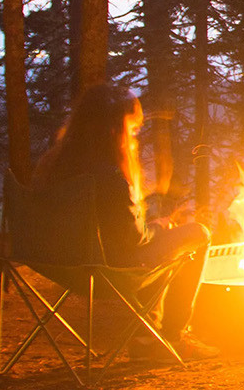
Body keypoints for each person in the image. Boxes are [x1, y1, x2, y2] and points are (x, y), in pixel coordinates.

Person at [31, 84, 217, 362]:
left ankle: (146, 337)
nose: (134, 137)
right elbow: (133, 240)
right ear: (116, 129)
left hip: (57, 263)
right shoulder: (110, 178)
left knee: (155, 247)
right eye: (132, 129)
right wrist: (157, 227)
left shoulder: (53, 163)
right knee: (196, 235)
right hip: (106, 269)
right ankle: (170, 338)